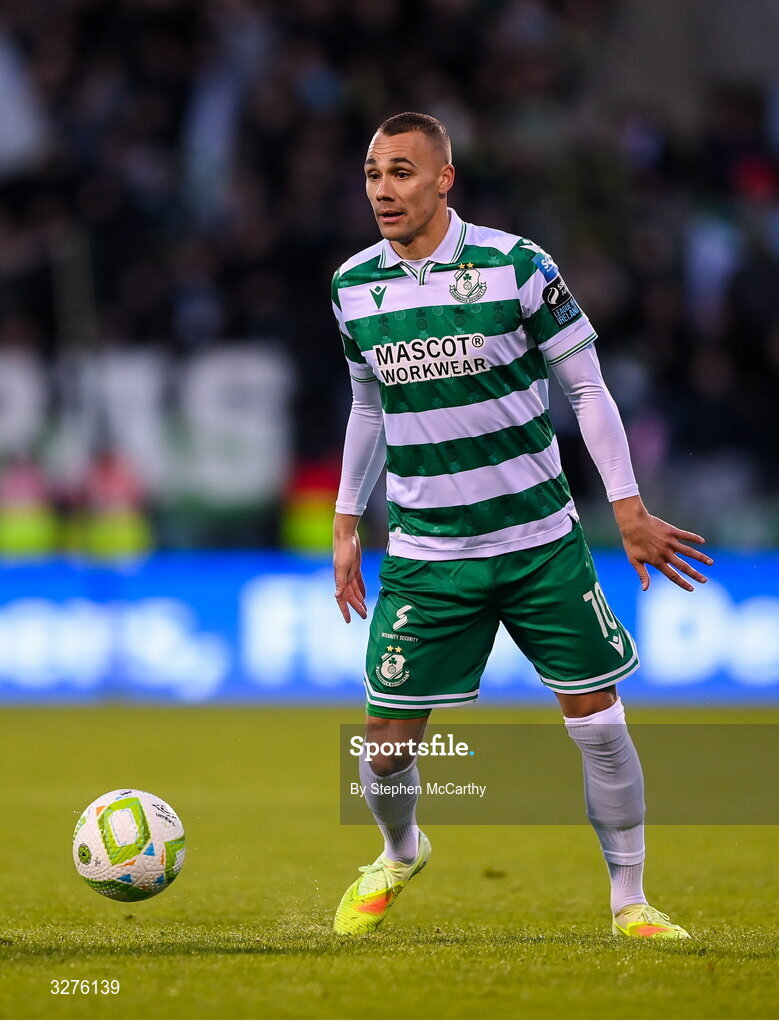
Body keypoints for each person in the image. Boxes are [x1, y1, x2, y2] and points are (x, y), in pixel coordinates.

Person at [330, 112, 712, 940]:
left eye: (400, 171)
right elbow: (367, 405)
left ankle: (629, 902)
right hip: (428, 555)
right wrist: (344, 520)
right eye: (371, 174)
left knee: (598, 722)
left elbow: (587, 392)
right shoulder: (352, 285)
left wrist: (627, 505)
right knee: (382, 748)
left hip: (539, 543)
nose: (382, 190)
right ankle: (400, 852)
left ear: (443, 179)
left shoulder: (517, 266)